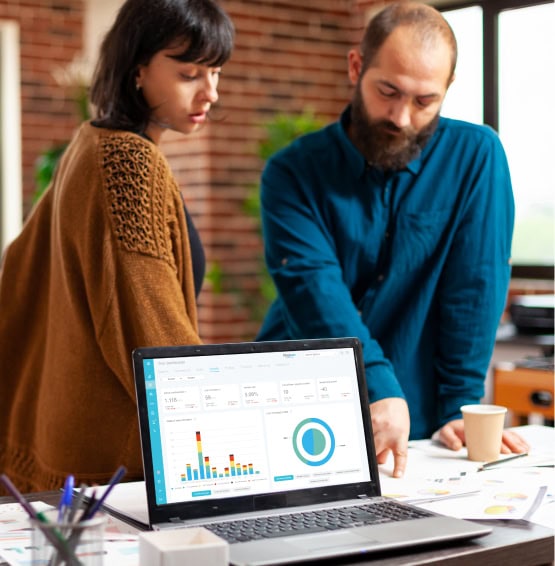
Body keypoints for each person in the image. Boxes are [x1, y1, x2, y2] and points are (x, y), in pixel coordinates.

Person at [256, 2, 529, 478]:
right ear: (356, 66)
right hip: (297, 401)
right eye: (388, 92)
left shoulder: (477, 158)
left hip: (419, 424)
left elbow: (474, 289)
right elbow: (316, 294)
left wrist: (459, 406)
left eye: (425, 101)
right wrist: (378, 385)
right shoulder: (292, 172)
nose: (401, 117)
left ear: (446, 92)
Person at [0, 0, 234, 494]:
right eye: (190, 73)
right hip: (117, 474)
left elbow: (19, 268)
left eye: (215, 72)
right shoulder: (129, 163)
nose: (210, 92)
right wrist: (228, 441)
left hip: (62, 453)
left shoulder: (87, 143)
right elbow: (157, 341)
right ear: (138, 69)